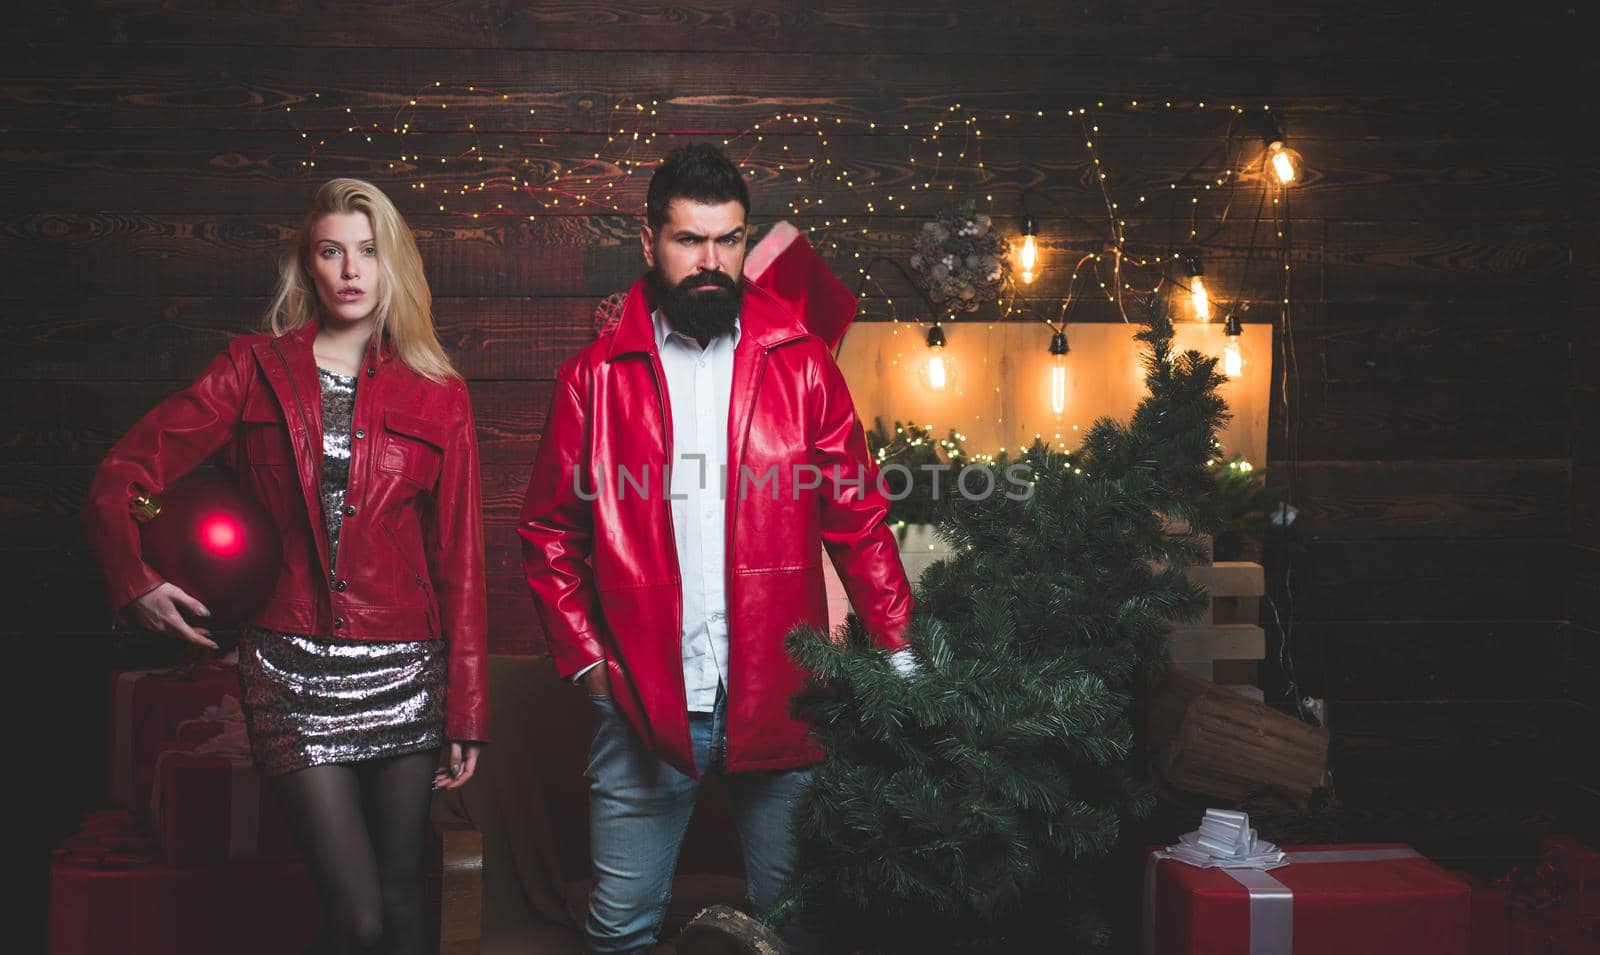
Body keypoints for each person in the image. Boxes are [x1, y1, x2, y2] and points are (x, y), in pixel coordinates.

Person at [519, 143, 914, 954]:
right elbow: (549, 533)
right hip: (643, 702)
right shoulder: (593, 378)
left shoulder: (800, 363)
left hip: (781, 694)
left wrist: (902, 648)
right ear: (648, 240)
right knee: (621, 926)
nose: (710, 261)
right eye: (689, 240)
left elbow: (857, 513)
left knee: (796, 921)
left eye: (728, 241)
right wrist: (591, 663)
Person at [84, 178, 489, 954]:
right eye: (331, 251)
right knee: (358, 916)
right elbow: (124, 471)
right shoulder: (252, 368)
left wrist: (468, 707)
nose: (350, 269)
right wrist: (132, 578)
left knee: (405, 905)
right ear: (308, 267)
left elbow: (462, 560)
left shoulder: (441, 392)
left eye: (367, 252)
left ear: (392, 264)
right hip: (290, 669)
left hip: (407, 667)